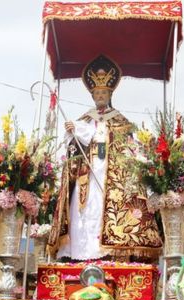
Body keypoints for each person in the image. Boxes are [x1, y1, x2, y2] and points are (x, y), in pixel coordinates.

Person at [49, 54, 161, 262]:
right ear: (93, 95)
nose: (100, 96)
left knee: (108, 209)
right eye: (97, 93)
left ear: (109, 94)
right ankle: (82, 255)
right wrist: (73, 133)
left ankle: (111, 252)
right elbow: (73, 152)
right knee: (85, 212)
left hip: (112, 179)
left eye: (103, 93)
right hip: (88, 176)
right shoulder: (84, 119)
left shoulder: (122, 122)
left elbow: (130, 149)